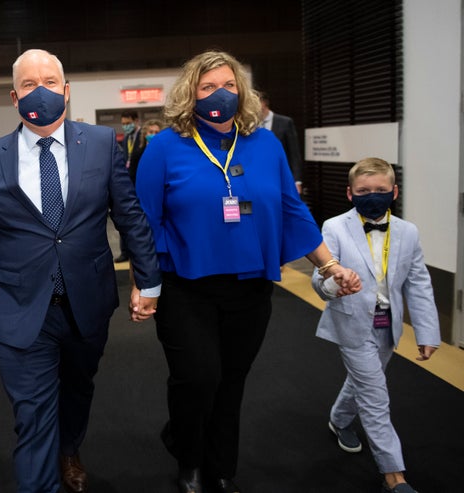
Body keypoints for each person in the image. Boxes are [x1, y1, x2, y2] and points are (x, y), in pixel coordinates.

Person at [134, 50, 361, 493]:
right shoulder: (164, 147)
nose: (219, 93)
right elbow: (145, 219)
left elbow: (292, 210)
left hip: (250, 287)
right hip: (186, 286)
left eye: (229, 85)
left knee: (230, 382)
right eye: (206, 86)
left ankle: (219, 468)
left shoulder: (265, 144)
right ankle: (189, 458)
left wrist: (330, 265)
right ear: (189, 94)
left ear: (243, 93)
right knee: (198, 377)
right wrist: (147, 284)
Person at [0, 49, 161, 493]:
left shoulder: (102, 143)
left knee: (78, 389)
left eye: (49, 81)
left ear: (66, 91)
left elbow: (130, 216)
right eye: (29, 84)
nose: (39, 90)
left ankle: (70, 449)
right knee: (32, 414)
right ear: (13, 96)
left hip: (88, 299)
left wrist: (149, 281)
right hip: (21, 308)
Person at [311, 157, 440, 493]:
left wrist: (427, 332)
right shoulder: (334, 227)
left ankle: (338, 420)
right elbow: (319, 276)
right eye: (364, 191)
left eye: (381, 190)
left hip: (388, 324)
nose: (373, 196)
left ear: (394, 192)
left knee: (367, 380)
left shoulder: (408, 231)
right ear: (350, 193)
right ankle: (394, 476)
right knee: (374, 395)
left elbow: (418, 283)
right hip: (351, 321)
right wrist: (334, 282)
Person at [259, 91, 304, 194]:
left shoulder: (285, 122)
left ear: (264, 103)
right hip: (260, 177)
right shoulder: (250, 125)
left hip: (282, 175)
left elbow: (294, 153)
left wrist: (297, 181)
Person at [114, 109, 143, 262]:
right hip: (128, 184)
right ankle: (125, 252)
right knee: (124, 217)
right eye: (123, 124)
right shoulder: (126, 139)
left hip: (140, 183)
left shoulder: (142, 138)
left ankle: (139, 251)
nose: (125, 126)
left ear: (136, 121)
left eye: (128, 123)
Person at [129, 118, 165, 184]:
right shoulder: (137, 154)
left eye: (157, 132)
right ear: (145, 134)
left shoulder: (165, 154)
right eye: (151, 132)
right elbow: (132, 175)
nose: (154, 135)